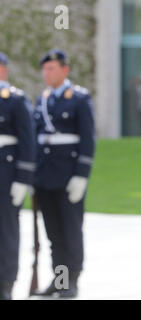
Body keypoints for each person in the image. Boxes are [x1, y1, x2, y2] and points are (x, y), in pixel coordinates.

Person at [32, 49, 95, 298]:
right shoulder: (43, 99)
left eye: (51, 68)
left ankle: (73, 280)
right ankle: (59, 279)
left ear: (64, 70)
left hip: (69, 176)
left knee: (70, 230)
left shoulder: (78, 98)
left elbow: (88, 139)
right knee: (53, 233)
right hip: (45, 177)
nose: (46, 73)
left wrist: (82, 174)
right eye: (44, 69)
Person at [0, 52, 36, 300]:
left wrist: (23, 179)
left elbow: (27, 141)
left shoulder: (14, 99)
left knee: (6, 232)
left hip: (6, 174)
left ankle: (5, 283)